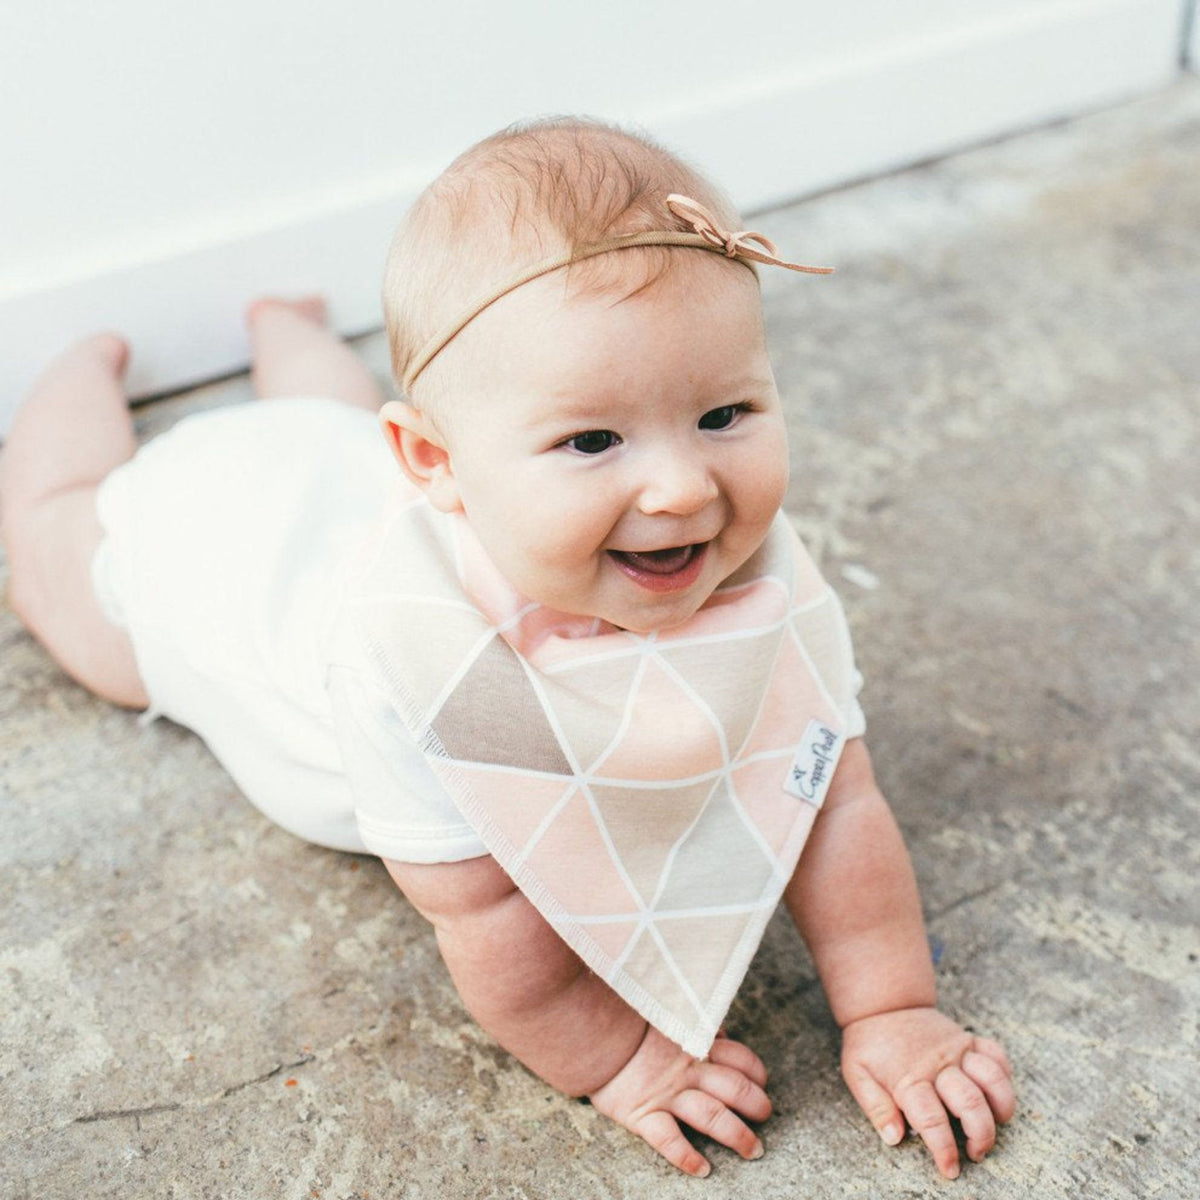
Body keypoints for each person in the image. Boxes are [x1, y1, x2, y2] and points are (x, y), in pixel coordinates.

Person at [0, 117, 1014, 1179]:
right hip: (230, 551)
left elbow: (833, 800)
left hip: (357, 467)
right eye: (592, 441)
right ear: (436, 464)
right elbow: (488, 908)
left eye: (724, 413)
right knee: (69, 577)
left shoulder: (759, 579)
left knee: (335, 421)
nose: (681, 489)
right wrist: (621, 1059)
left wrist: (895, 1007)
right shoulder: (418, 659)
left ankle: (288, 329)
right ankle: (70, 380)